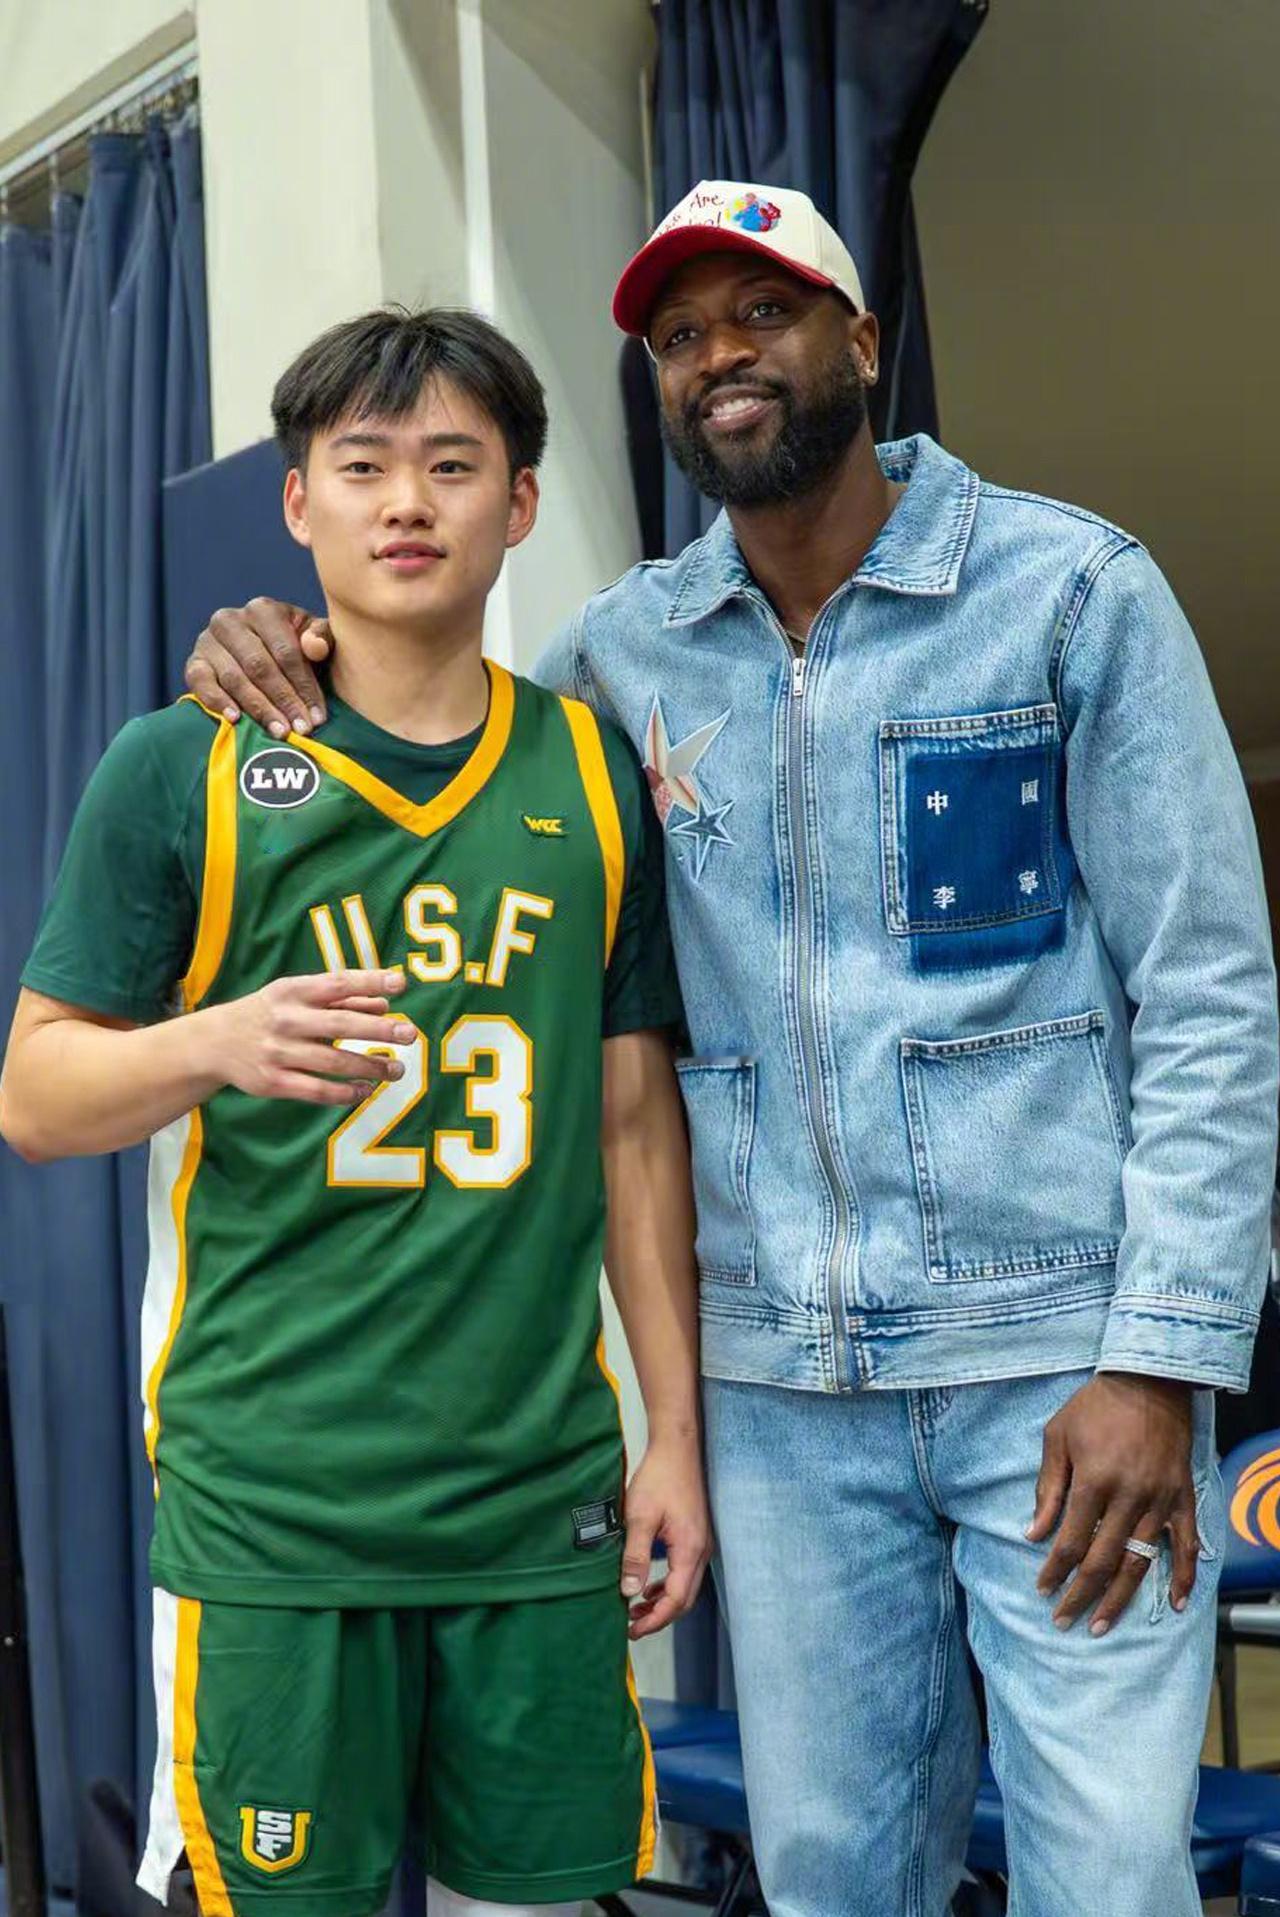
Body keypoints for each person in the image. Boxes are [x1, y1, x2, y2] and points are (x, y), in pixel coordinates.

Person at [184, 180, 1279, 1916]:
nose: (721, 357)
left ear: (863, 341)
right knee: (833, 1876)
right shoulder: (622, 657)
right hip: (782, 1395)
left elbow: (1212, 987)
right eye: (681, 337)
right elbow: (443, 741)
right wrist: (279, 645)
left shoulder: (1072, 593)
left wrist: (1160, 1360)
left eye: (763, 314)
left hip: (1059, 1369)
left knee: (1109, 1874)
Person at [0, 307, 710, 1917]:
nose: (407, 503)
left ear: (518, 504)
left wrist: (674, 1434)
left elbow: (632, 1130)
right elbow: (34, 1095)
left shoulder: (594, 774)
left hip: (539, 1503)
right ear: (298, 500)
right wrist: (218, 1040)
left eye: (452, 466)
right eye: (364, 464)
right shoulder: (181, 766)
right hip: (280, 1507)